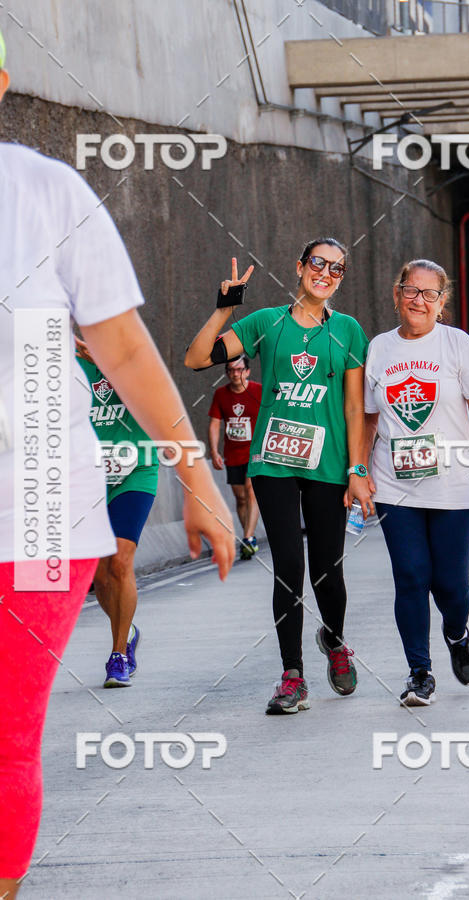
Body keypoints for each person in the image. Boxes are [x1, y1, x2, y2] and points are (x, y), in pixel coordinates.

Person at [0, 31, 234, 898]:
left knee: (4, 744)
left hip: (32, 513)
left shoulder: (44, 194)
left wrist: (199, 486)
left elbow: (129, 352)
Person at [185, 241, 374, 714]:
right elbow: (195, 358)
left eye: (337, 268)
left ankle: (334, 640)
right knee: (288, 563)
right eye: (318, 263)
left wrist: (357, 469)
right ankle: (293, 676)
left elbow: (354, 407)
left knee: (327, 567)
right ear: (299, 267)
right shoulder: (266, 322)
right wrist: (224, 310)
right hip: (272, 462)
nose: (326, 273)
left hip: (329, 466)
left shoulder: (348, 330)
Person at [364, 259, 469, 707]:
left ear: (442, 302)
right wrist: (358, 473)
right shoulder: (379, 348)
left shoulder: (457, 344)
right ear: (396, 293)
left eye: (428, 294)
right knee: (410, 576)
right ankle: (419, 673)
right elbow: (368, 418)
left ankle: (457, 634)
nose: (418, 300)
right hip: (393, 483)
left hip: (454, 482)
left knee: (451, 586)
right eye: (410, 290)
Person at [76, 338, 159, 687]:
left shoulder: (134, 350)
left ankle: (118, 655)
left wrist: (108, 360)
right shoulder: (68, 362)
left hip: (135, 470)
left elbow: (152, 401)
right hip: (90, 477)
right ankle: (128, 631)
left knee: (121, 561)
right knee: (100, 577)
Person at [208, 355, 262, 559]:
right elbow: (214, 423)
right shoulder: (221, 394)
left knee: (251, 491)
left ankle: (247, 538)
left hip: (255, 452)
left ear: (247, 371)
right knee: (240, 498)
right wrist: (214, 452)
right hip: (233, 453)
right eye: (231, 370)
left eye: (239, 370)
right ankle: (250, 534)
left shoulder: (258, 391)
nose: (235, 374)